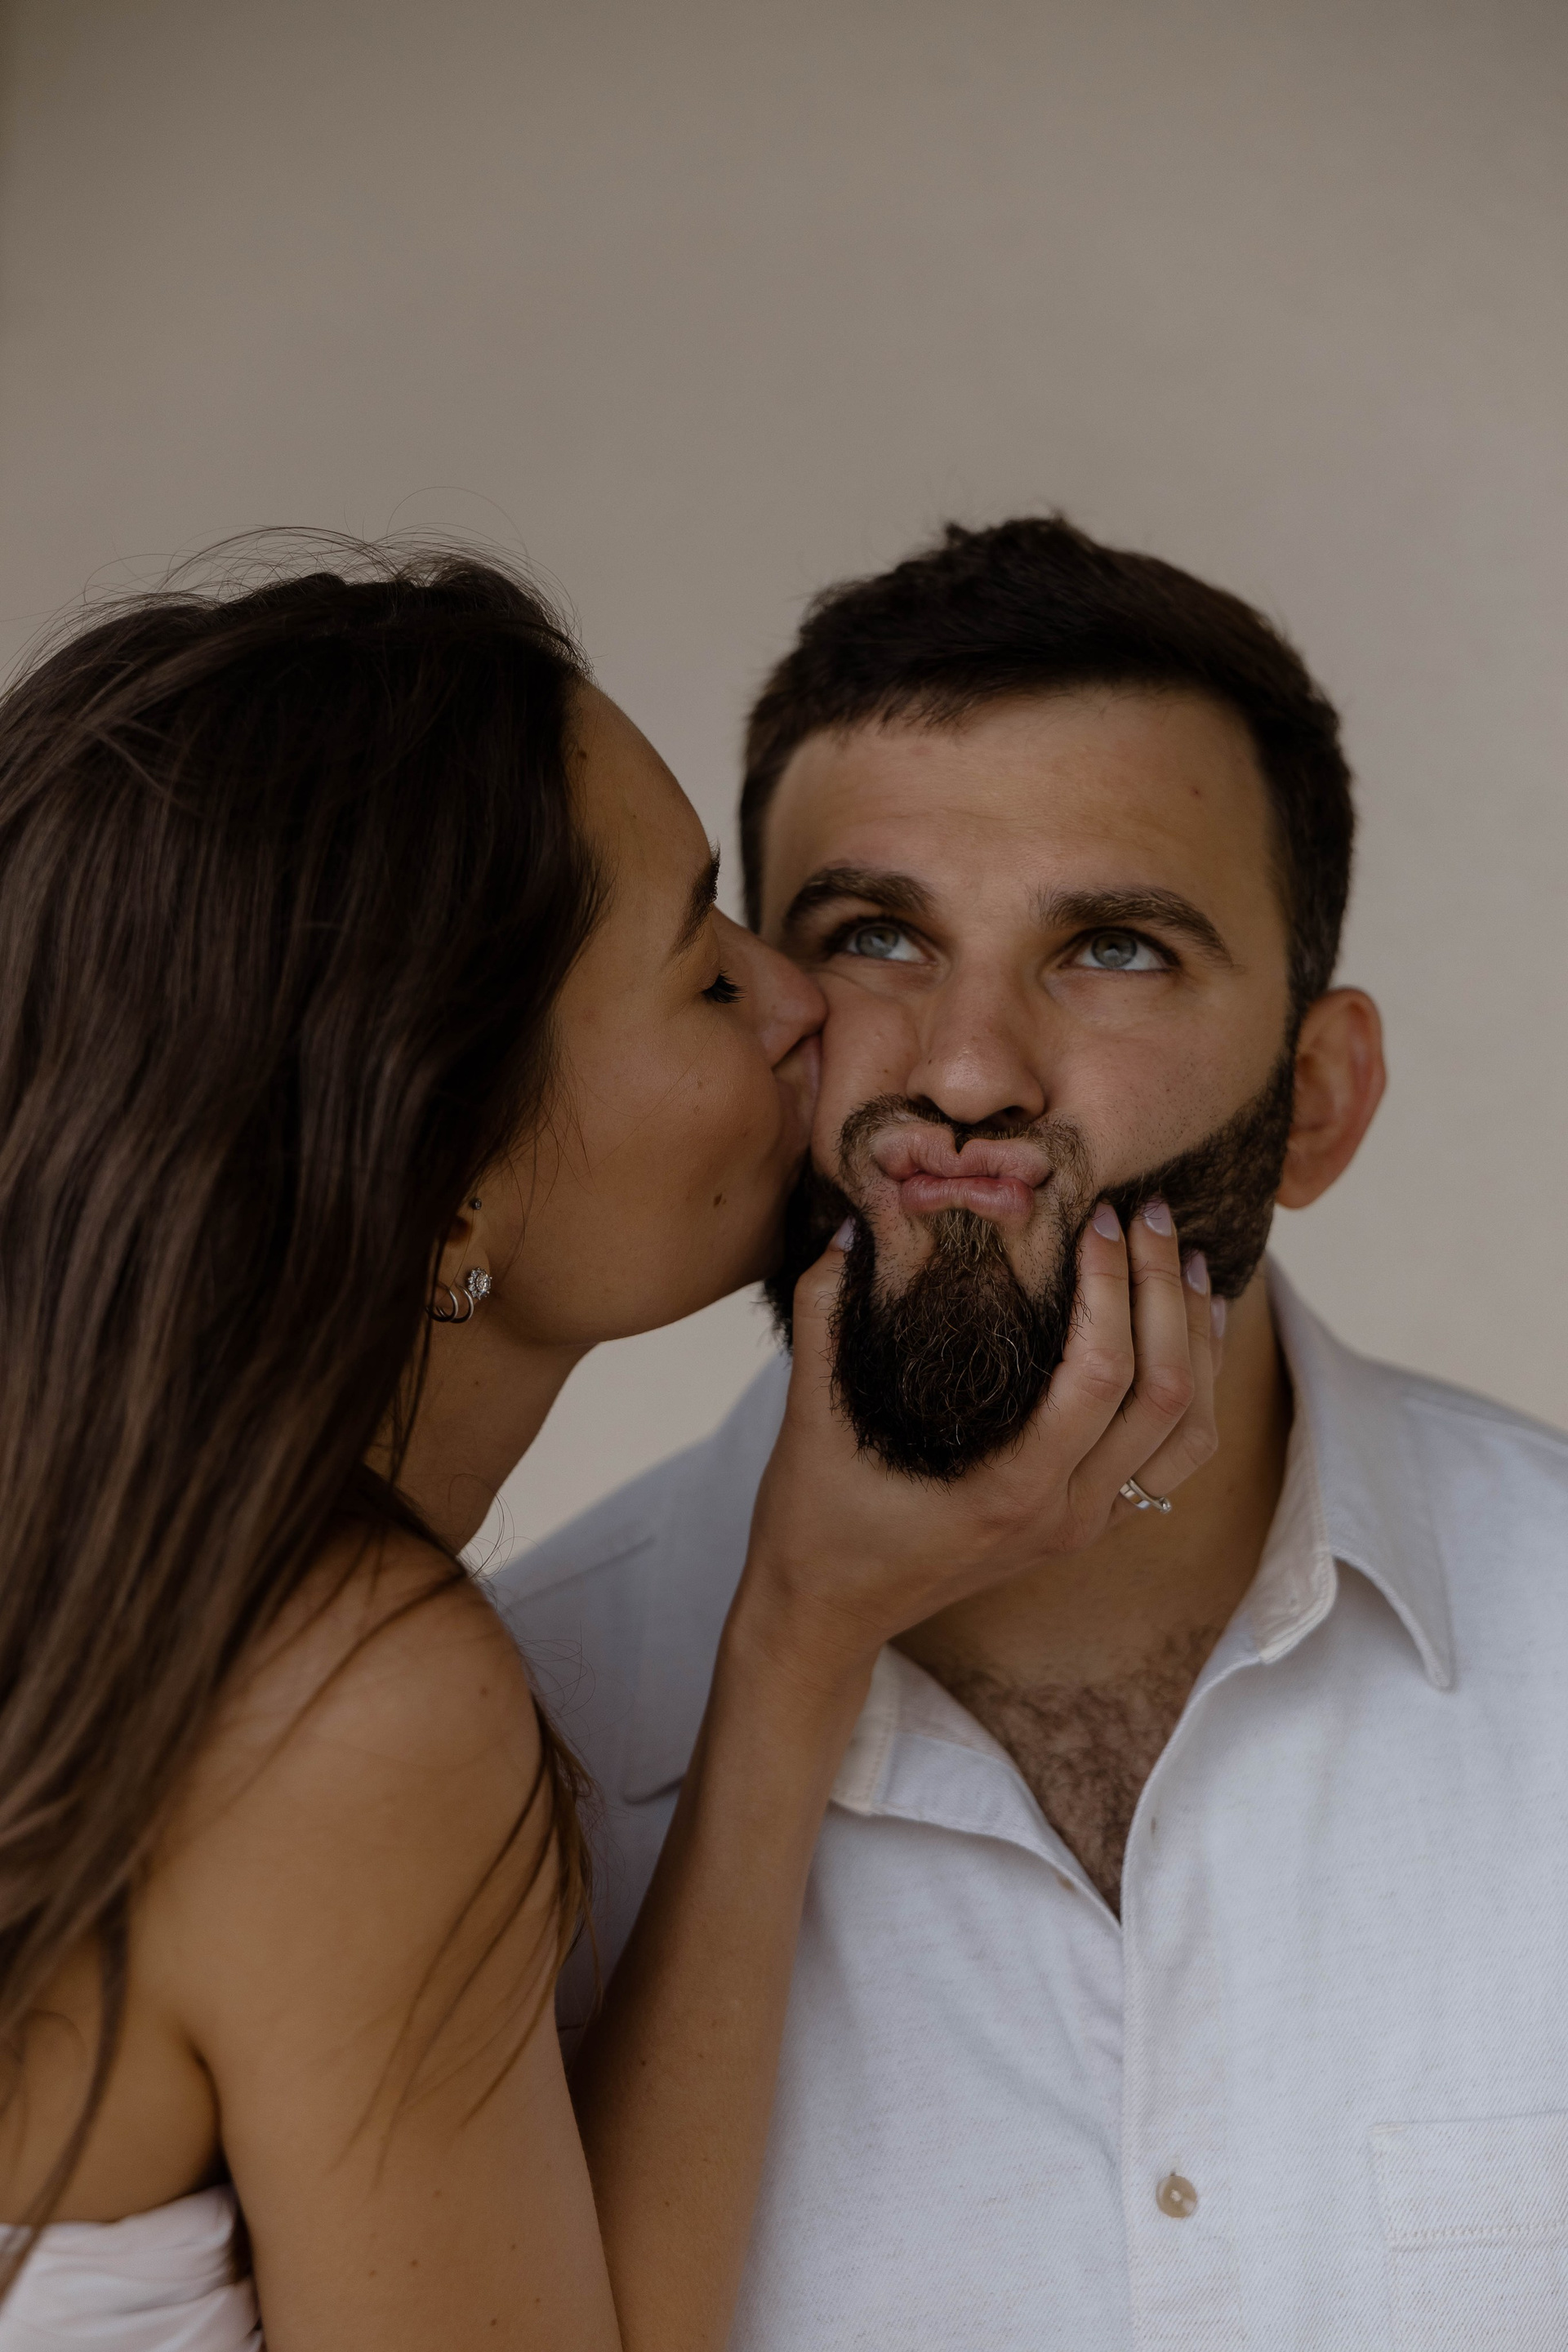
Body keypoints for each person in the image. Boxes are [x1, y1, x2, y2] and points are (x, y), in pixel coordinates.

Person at [0, 537, 1221, 2350]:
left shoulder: (141, 1602)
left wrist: (802, 1630)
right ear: (443, 1177)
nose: (805, 1003)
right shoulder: (342, 1702)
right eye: (704, 971)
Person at [499, 515, 1568, 2351]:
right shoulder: (517, 1739)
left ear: (1320, 1102)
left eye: (1116, 949)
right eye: (878, 937)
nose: (968, 1070)